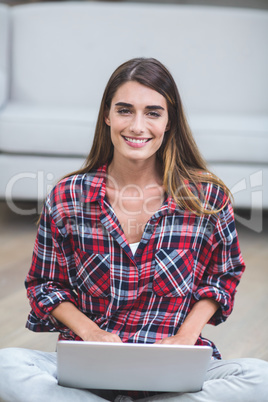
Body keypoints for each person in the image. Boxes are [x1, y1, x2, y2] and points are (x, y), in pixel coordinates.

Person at [0, 57, 267, 402]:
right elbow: (44, 285)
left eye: (153, 113)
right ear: (107, 116)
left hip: (173, 367)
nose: (138, 126)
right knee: (6, 366)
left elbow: (222, 278)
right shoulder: (68, 197)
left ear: (169, 122)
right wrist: (91, 333)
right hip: (91, 369)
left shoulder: (206, 198)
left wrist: (186, 336)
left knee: (260, 378)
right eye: (125, 110)